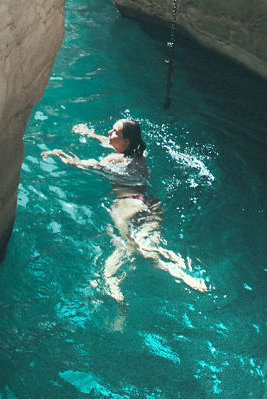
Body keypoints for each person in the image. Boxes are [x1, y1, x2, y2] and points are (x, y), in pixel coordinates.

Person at [42, 117, 207, 301]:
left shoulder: (112, 161)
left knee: (133, 248)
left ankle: (114, 288)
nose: (109, 133)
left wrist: (57, 153)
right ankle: (184, 273)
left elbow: (80, 164)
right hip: (149, 201)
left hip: (127, 205)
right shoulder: (140, 155)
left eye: (114, 132)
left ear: (126, 141)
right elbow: (110, 143)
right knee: (150, 244)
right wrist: (90, 134)